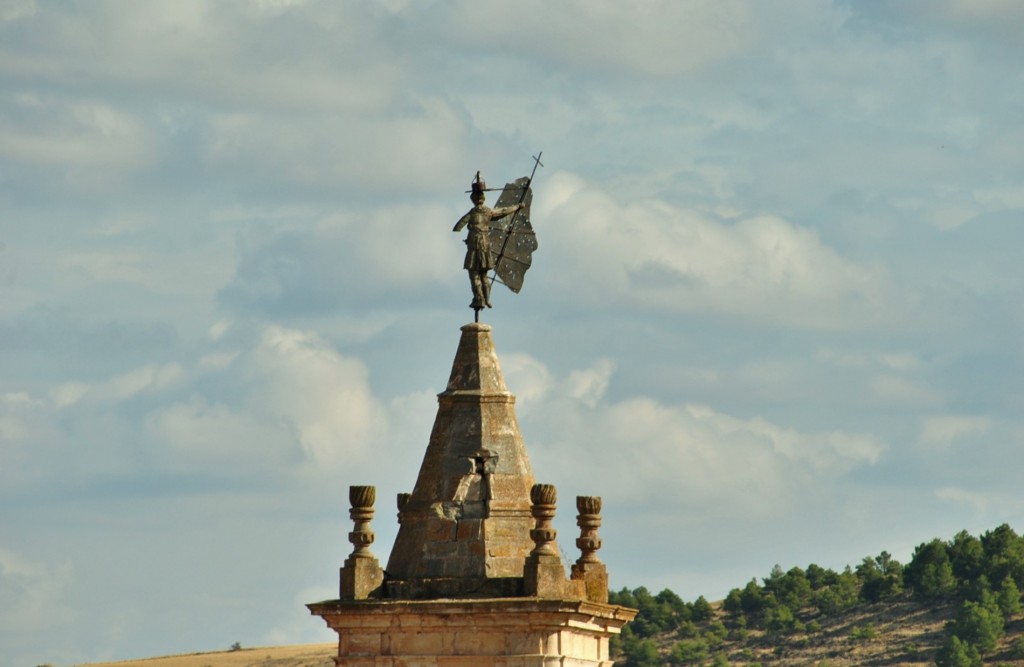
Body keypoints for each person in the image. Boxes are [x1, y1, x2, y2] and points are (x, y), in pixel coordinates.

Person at [453, 172, 524, 310]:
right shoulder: (488, 212)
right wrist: (517, 207)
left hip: (474, 248)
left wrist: (464, 231)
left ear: (473, 199)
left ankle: (478, 299)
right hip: (485, 246)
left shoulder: (472, 213)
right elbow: (503, 211)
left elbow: (458, 226)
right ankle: (487, 299)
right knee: (484, 275)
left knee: (474, 275)